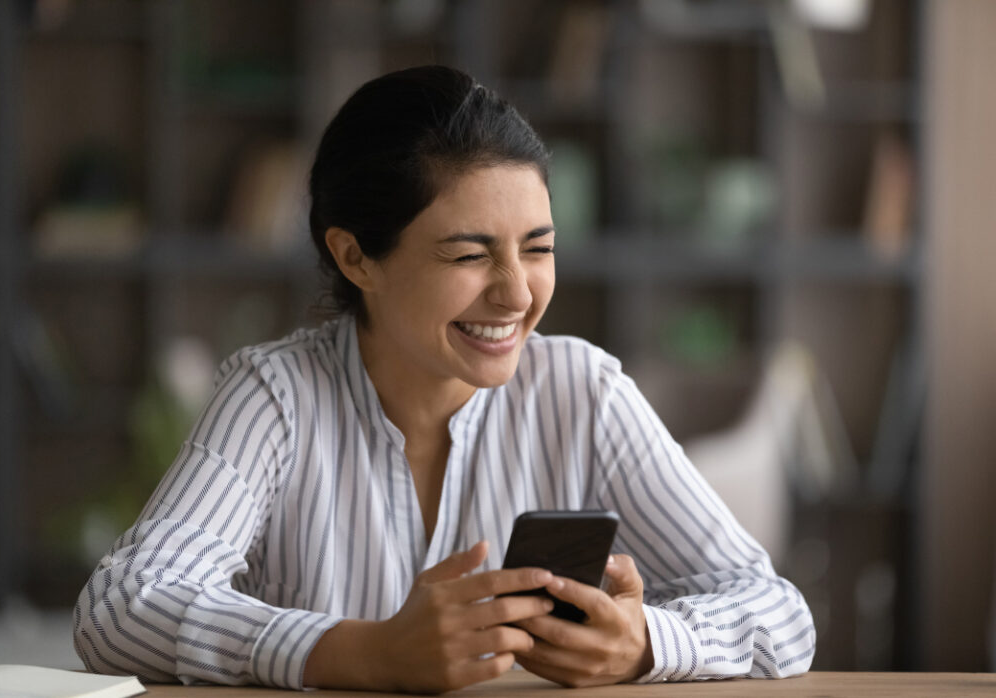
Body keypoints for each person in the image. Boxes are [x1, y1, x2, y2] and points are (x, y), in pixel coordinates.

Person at [72, 65, 815, 692]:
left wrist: (646, 642)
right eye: (468, 255)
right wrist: (362, 653)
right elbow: (119, 607)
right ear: (357, 258)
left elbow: (778, 611)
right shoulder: (276, 396)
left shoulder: (583, 393)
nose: (518, 294)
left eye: (537, 248)